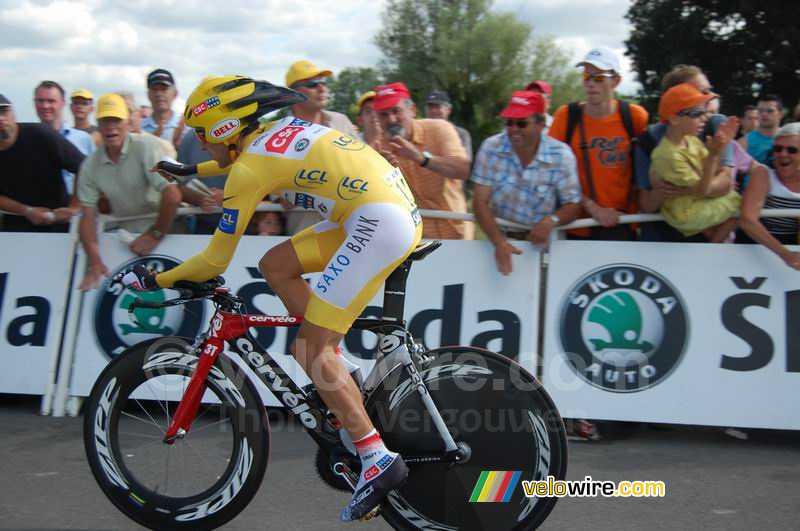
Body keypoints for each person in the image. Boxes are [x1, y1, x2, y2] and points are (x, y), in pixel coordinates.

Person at [122, 75, 420, 521]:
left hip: (376, 221)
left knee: (307, 348)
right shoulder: (266, 137)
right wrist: (189, 172)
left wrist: (159, 280)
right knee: (276, 265)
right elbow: (249, 164)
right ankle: (345, 372)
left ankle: (376, 459)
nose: (201, 146)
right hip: (380, 210)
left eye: (204, 136)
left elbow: (214, 262)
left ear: (225, 129)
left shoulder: (247, 170)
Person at [77, 93, 182, 289]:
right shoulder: (89, 165)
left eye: (116, 120)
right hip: (128, 242)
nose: (110, 126)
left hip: (168, 233)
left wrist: (156, 233)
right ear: (98, 125)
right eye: (105, 121)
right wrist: (94, 261)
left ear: (127, 122)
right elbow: (87, 218)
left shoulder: (145, 146)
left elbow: (172, 195)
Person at [472, 91, 581, 274]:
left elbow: (573, 205)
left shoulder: (561, 155)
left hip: (544, 250)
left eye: (521, 123)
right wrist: (500, 243)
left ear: (540, 124)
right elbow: (479, 202)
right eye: (509, 122)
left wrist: (550, 221)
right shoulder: (490, 148)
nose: (513, 128)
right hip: (497, 243)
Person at [548, 46, 649, 240]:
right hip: (578, 226)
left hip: (624, 224)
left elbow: (645, 167)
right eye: (587, 77)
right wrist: (592, 207)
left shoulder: (635, 116)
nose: (591, 84)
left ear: (616, 81)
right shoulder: (566, 117)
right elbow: (554, 173)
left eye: (599, 78)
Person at [635, 65, 737, 242]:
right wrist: (659, 194)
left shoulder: (717, 125)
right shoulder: (648, 140)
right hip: (661, 237)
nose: (707, 100)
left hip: (704, 232)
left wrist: (689, 189)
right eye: (699, 93)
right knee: (739, 205)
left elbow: (726, 183)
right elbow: (646, 204)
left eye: (708, 92)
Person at [373, 81, 472, 239]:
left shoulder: (440, 129)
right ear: (377, 118)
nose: (391, 119)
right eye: (383, 115)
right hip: (416, 241)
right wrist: (383, 174)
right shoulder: (378, 148)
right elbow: (376, 203)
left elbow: (464, 170)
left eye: (396, 111)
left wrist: (420, 158)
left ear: (412, 110)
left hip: (457, 233)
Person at [282, 60, 360, 235]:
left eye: (323, 83)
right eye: (312, 84)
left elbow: (362, 170)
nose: (322, 88)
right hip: (305, 234)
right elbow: (283, 201)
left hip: (349, 229)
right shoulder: (279, 133)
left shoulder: (341, 121)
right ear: (292, 93)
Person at [0, 94, 83, 232]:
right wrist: (27, 211)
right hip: (14, 229)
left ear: (14, 115)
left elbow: (84, 167)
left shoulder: (40, 134)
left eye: (4, 112)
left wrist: (74, 207)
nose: (1, 119)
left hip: (59, 225)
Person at [737, 122, 800, 269]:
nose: (783, 154)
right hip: (755, 249)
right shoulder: (764, 172)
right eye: (778, 149)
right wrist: (785, 254)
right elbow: (747, 220)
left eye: (792, 150)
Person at [34, 80, 96, 195]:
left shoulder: (83, 139)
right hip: (40, 209)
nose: (45, 106)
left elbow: (96, 176)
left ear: (62, 103)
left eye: (51, 101)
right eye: (40, 101)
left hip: (76, 209)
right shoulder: (28, 139)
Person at [141, 68, 186, 147]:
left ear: (175, 93)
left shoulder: (185, 126)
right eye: (154, 89)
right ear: (148, 95)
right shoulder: (140, 128)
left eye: (164, 89)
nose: (159, 94)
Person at [424, 90, 473, 158]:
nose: (433, 111)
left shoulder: (461, 133)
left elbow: (465, 162)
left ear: (449, 110)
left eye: (438, 107)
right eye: (430, 107)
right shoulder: (419, 132)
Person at [741, 94, 786, 164]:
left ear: (781, 114)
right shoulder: (743, 143)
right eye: (760, 111)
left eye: (770, 111)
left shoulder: (789, 138)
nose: (764, 114)